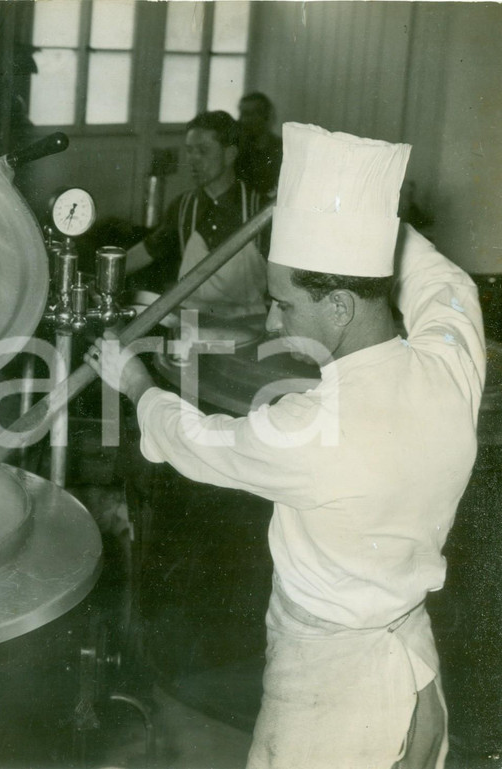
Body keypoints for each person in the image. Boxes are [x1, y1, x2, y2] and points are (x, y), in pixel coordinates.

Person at [88, 123, 486, 768]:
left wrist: (135, 382)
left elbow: (198, 442)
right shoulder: (451, 363)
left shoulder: (312, 427)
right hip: (413, 666)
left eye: (283, 304)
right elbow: (450, 290)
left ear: (337, 307)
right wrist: (368, 215)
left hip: (331, 695)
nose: (273, 320)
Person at [125, 111, 268, 319]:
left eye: (202, 151)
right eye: (190, 151)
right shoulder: (183, 206)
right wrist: (102, 275)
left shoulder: (258, 209)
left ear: (230, 154)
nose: (193, 160)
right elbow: (148, 250)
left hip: (247, 329)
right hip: (191, 324)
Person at [236, 92, 284, 199]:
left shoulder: (282, 150)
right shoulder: (237, 151)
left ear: (265, 117)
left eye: (248, 114)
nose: (242, 120)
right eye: (241, 114)